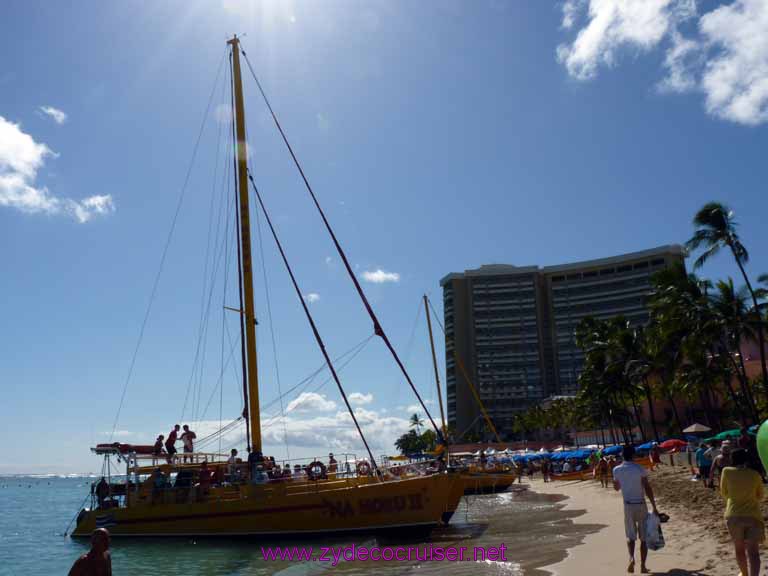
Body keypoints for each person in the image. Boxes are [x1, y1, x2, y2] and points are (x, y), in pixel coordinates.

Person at [613, 445, 659, 574]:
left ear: (622, 455)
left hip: (628, 505)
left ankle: (631, 558)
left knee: (630, 536)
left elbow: (616, 488)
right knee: (643, 537)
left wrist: (618, 483)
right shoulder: (640, 469)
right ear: (633, 455)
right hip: (640, 504)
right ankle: (643, 566)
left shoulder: (616, 470)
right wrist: (654, 506)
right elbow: (647, 488)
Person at [720, 449, 763, 576]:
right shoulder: (754, 474)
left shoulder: (726, 471)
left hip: (733, 514)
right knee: (753, 552)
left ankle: (744, 574)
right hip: (753, 516)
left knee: (739, 549)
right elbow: (760, 496)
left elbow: (724, 493)